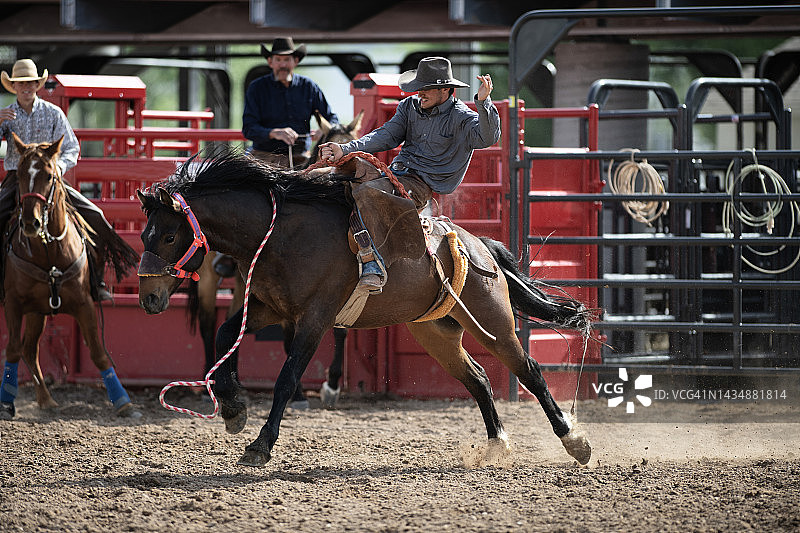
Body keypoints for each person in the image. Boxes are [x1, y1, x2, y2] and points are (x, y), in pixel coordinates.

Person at [319, 56, 500, 292]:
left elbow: (487, 137)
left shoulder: (461, 117)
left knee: (367, 192)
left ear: (445, 90)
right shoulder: (409, 108)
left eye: (425, 89)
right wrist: (345, 149)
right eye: (418, 88)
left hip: (420, 184)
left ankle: (374, 261)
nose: (419, 93)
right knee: (338, 179)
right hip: (395, 174)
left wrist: (484, 102)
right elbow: (385, 135)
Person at [0, 58, 117, 301]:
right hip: (18, 178)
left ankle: (97, 281)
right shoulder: (6, 115)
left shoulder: (53, 113)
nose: (26, 87)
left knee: (95, 216)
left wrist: (57, 168)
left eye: (31, 82)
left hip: (48, 179)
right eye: (21, 83)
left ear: (37, 85)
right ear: (14, 86)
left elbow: (71, 147)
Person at [242, 36, 339, 168]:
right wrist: (274, 132)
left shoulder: (309, 86)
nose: (283, 65)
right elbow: (249, 129)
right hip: (263, 157)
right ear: (270, 62)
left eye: (287, 59)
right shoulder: (257, 88)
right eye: (278, 60)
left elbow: (332, 118)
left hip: (301, 158)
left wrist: (325, 130)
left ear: (296, 61)